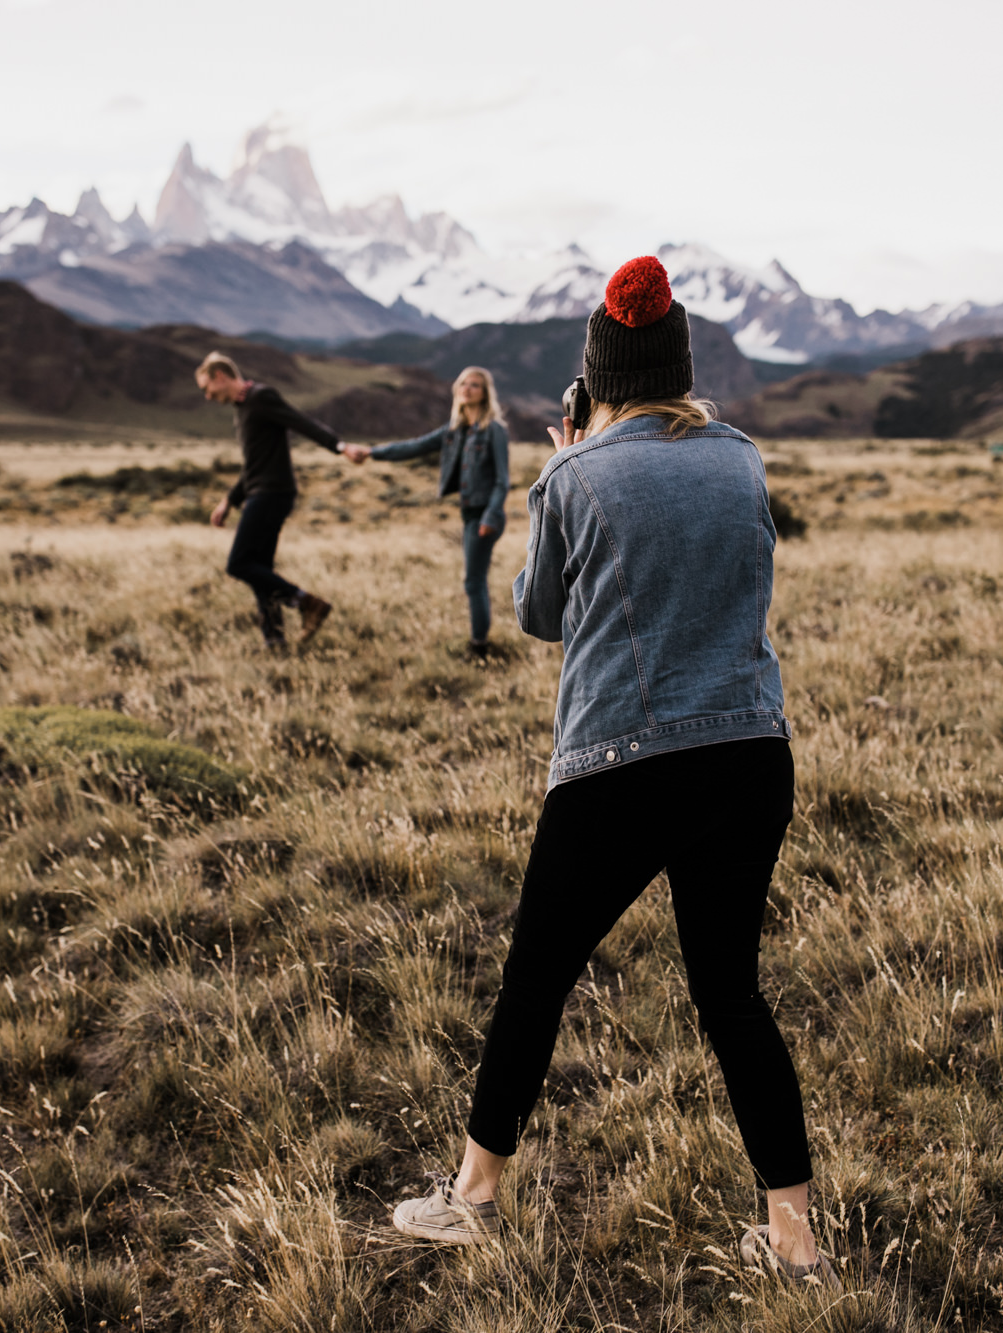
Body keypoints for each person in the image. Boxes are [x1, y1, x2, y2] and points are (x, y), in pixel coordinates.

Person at [389, 257, 837, 1291]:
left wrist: (568, 466)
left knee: (535, 980)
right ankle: (795, 1244)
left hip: (620, 762)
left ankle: (474, 1198)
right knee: (731, 996)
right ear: (677, 369)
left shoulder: (574, 475)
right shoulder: (742, 461)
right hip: (748, 754)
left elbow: (539, 614)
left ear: (596, 383)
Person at [343, 367, 510, 658]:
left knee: (473, 581)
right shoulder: (454, 432)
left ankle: (480, 648)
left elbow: (502, 480)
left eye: (475, 385)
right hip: (470, 513)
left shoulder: (493, 430)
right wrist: (372, 453)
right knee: (474, 579)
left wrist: (491, 515)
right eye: (463, 384)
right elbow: (413, 447)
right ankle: (479, 643)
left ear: (485, 393)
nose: (467, 389)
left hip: (486, 516)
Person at [198, 351, 348, 649]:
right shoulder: (243, 408)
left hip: (272, 493)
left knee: (239, 563)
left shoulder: (261, 397)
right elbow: (254, 464)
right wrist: (229, 500)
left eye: (207, 388)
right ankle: (275, 641)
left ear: (220, 376)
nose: (207, 396)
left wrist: (338, 445)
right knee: (260, 570)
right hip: (261, 490)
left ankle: (307, 603)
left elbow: (300, 422)